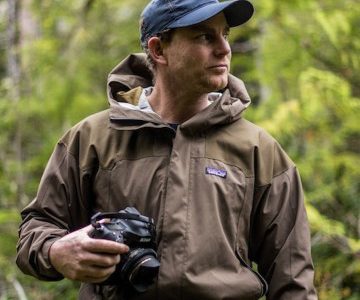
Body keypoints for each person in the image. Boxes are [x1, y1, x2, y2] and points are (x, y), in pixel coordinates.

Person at [16, 0, 317, 299]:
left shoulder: (260, 151)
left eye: (224, 34)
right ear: (159, 50)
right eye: (204, 36)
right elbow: (36, 229)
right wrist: (57, 251)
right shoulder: (92, 138)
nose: (224, 49)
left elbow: (293, 282)